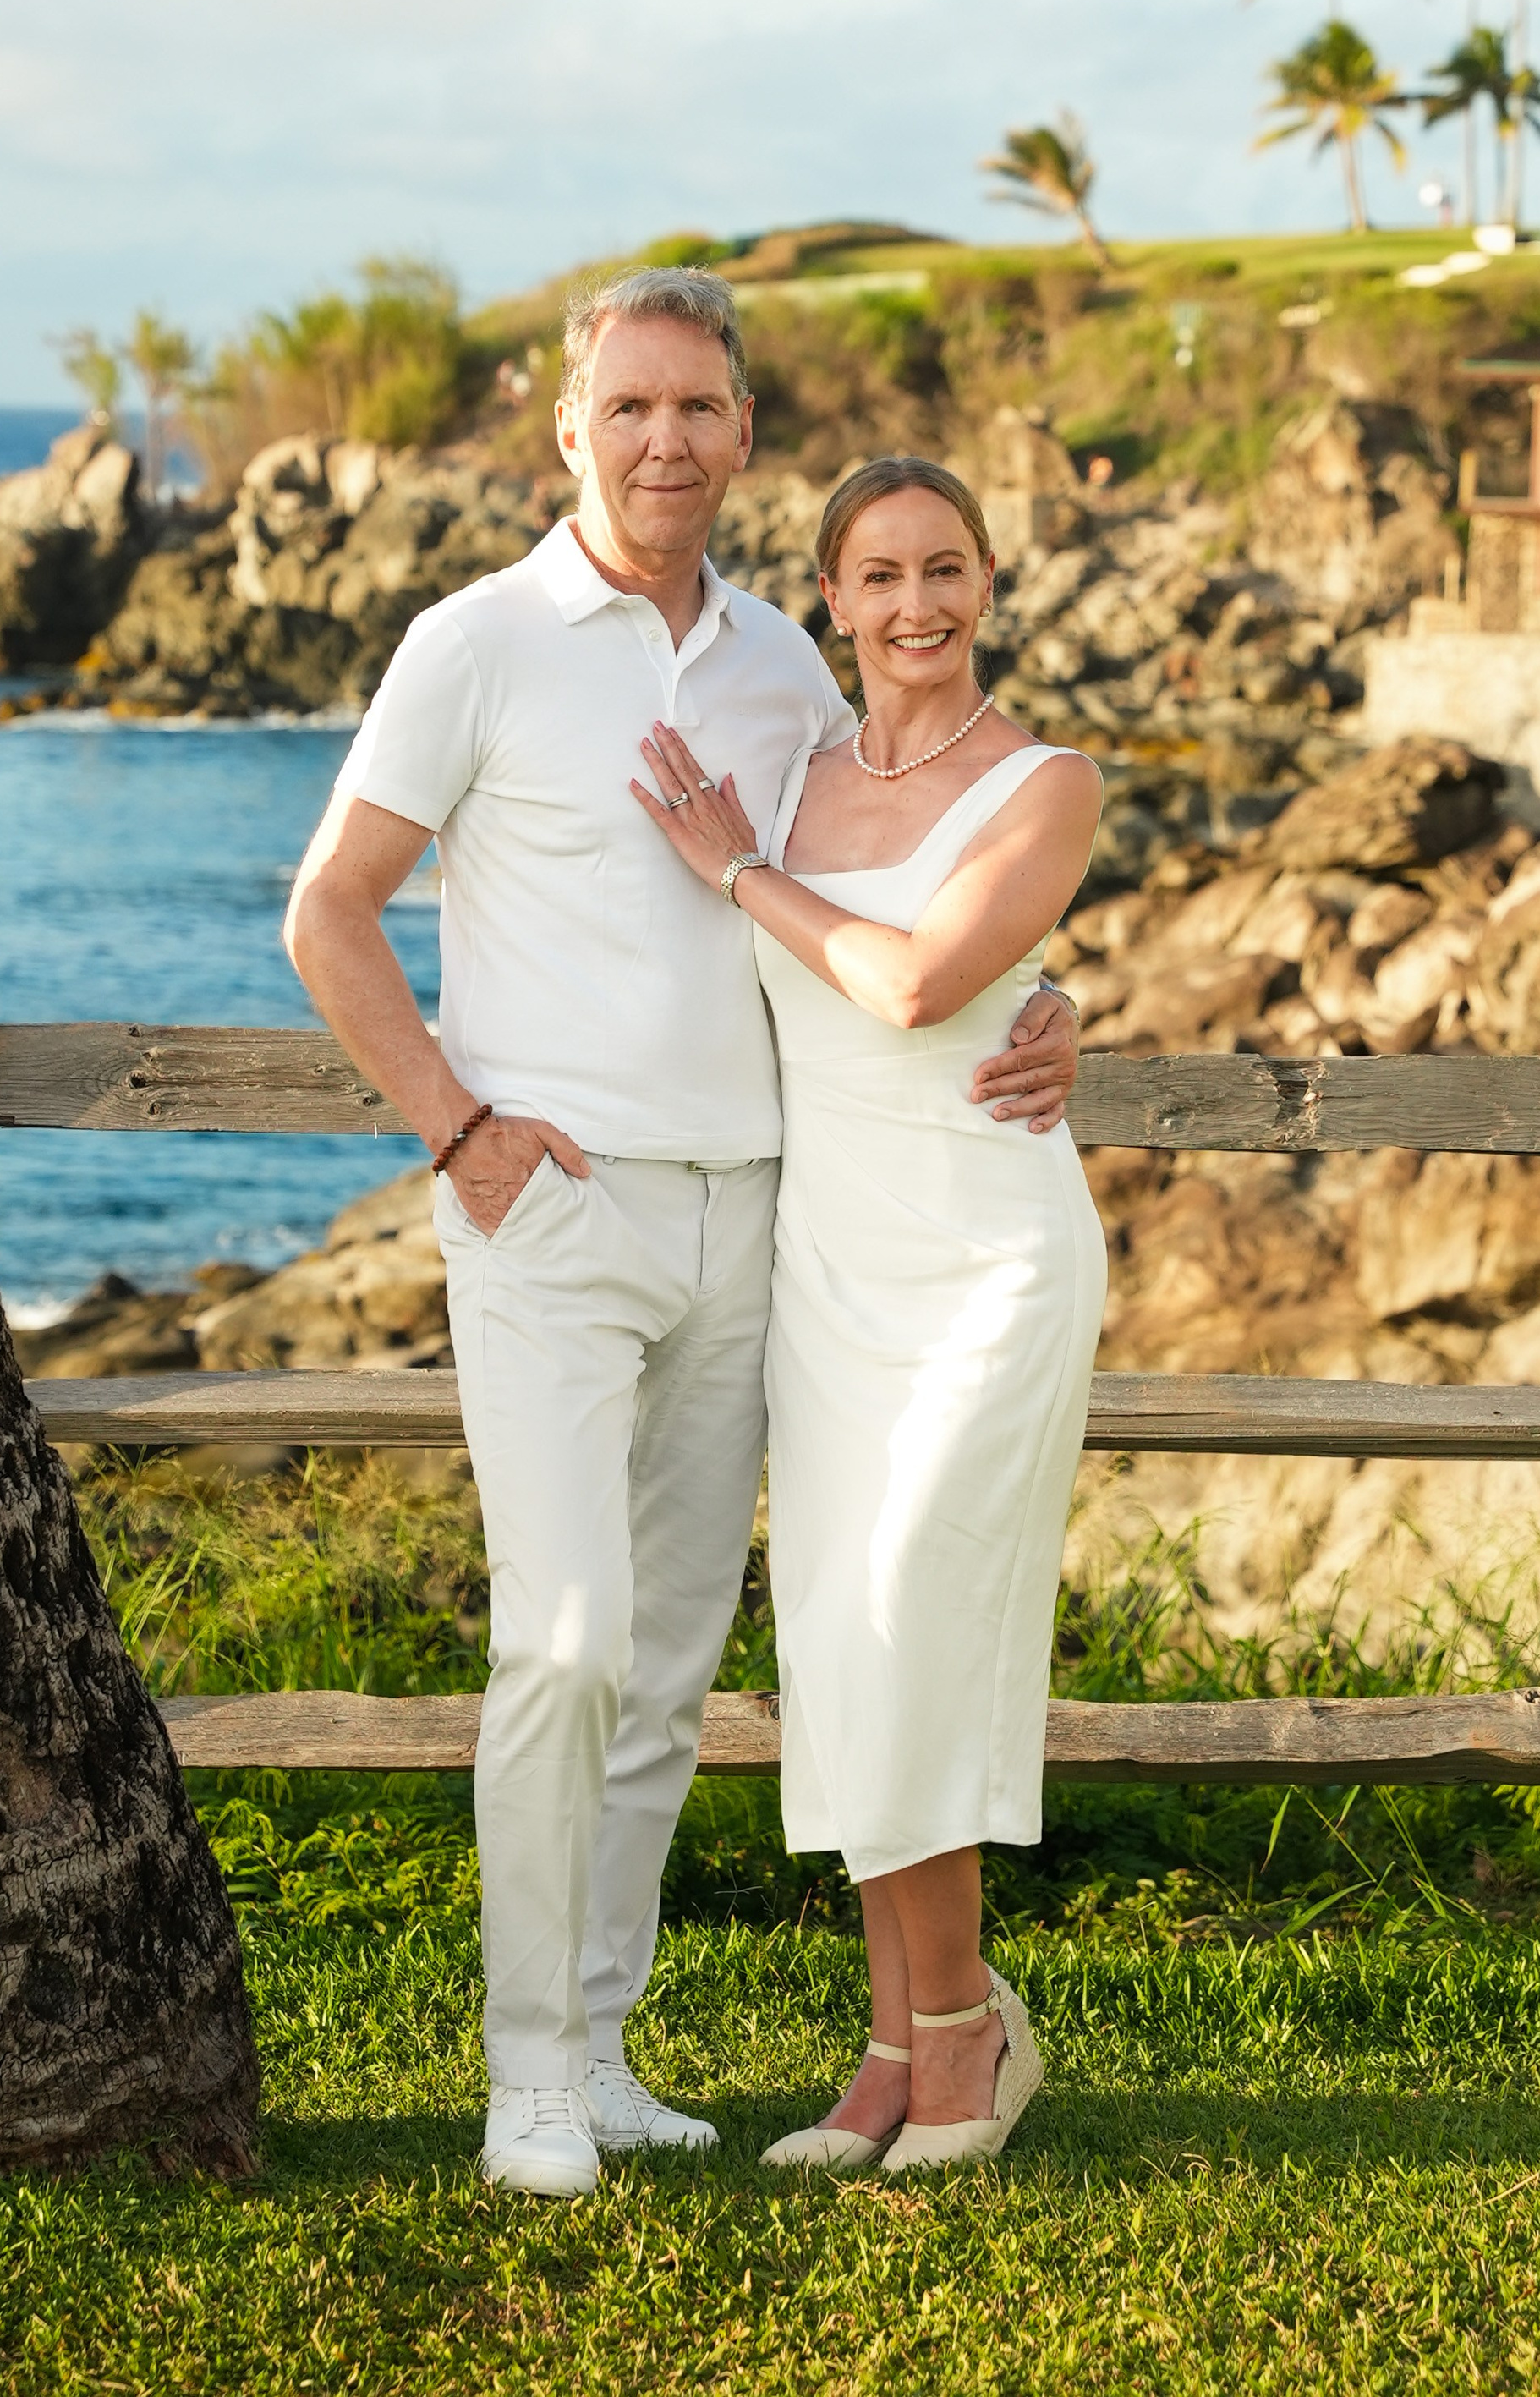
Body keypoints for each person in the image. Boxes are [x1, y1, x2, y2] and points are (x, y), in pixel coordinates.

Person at [282, 272, 1081, 2197]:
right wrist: (456, 1130)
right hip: (551, 1215)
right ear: (571, 426)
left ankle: (612, 2045)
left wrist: (1053, 1007)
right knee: (555, 1640)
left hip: (762, 1228)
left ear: (738, 432)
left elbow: (898, 877)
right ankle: (526, 2076)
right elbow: (330, 912)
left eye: (698, 408)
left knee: (658, 1668)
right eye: (627, 405)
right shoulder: (468, 641)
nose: (662, 440)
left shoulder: (780, 673)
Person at [634, 453, 1106, 2174]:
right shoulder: (796, 773)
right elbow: (779, 1000)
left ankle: (968, 2025)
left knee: (912, 1603)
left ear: (987, 582)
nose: (914, 606)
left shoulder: (1048, 779)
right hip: (827, 1268)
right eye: (878, 575)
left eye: (944, 569)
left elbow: (913, 979)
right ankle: (896, 2043)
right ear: (829, 595)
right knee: (843, 1646)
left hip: (986, 1252)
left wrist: (730, 869)